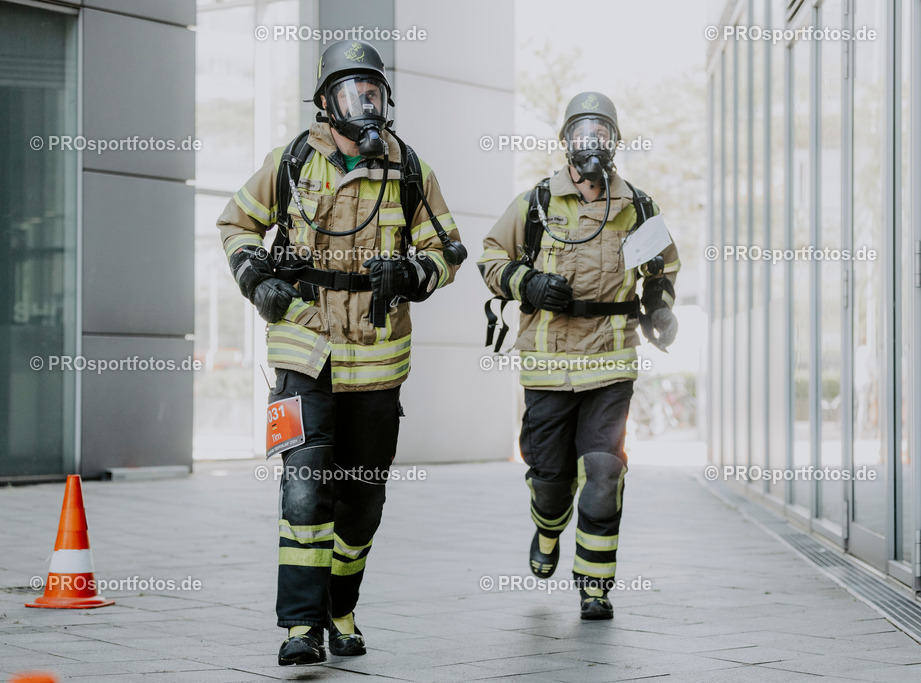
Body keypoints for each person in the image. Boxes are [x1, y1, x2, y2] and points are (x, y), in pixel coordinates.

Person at [217, 40, 462, 665]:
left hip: (379, 363)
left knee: (361, 501)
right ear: (325, 102)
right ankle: (301, 627)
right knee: (304, 489)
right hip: (303, 352)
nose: (367, 105)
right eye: (354, 93)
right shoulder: (292, 161)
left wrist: (412, 274)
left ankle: (341, 608)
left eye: (375, 92)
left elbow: (448, 250)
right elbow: (236, 224)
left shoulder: (409, 170)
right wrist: (256, 281)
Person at [478, 92, 679, 620]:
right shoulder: (535, 205)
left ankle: (595, 585)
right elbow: (490, 258)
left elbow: (662, 271)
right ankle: (547, 530)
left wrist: (660, 309)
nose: (592, 144)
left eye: (602, 133)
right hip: (546, 370)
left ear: (614, 143)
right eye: (582, 134)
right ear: (566, 142)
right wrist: (531, 283)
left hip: (611, 366)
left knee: (604, 472)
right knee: (551, 481)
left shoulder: (638, 207)